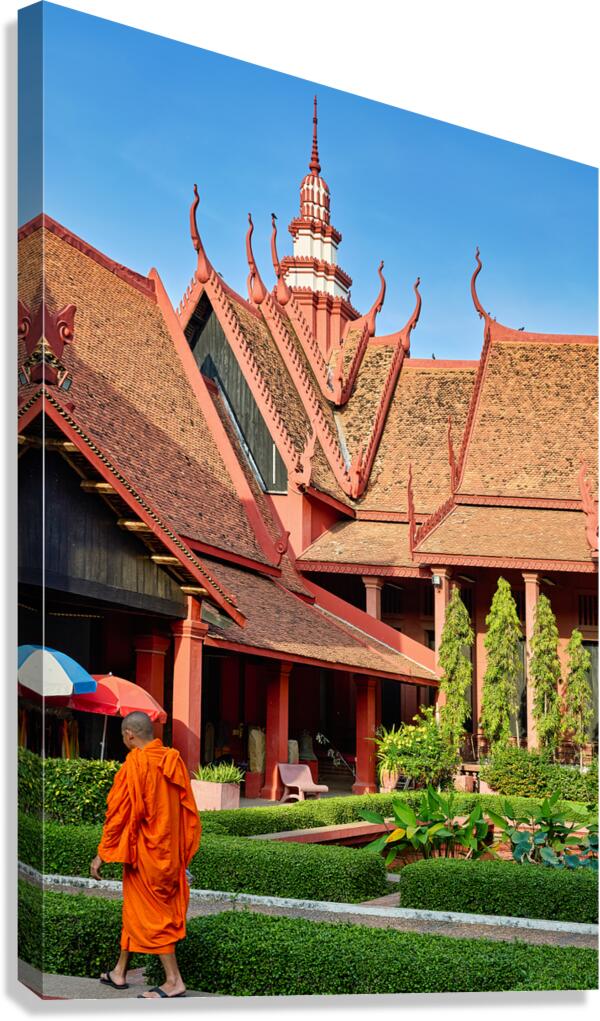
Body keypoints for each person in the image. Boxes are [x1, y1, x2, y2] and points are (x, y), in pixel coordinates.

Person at [89, 711, 201, 999]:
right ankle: (120, 972)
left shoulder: (135, 765)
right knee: (135, 910)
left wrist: (102, 853)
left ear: (129, 735)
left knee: (154, 917)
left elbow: (117, 816)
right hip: (169, 853)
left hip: (147, 857)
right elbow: (189, 813)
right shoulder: (173, 760)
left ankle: (174, 980)